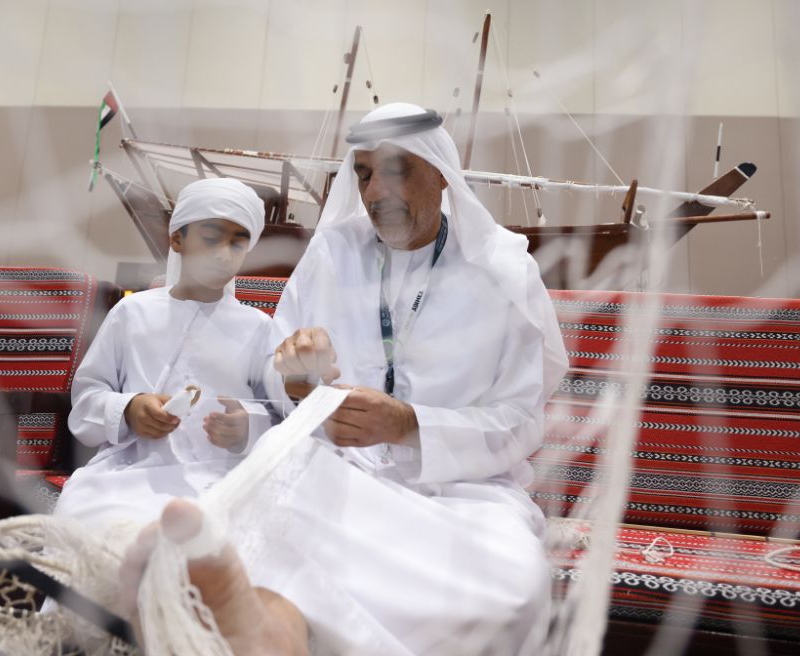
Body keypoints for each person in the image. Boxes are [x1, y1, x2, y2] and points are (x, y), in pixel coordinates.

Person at [121, 102, 569, 655]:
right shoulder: (334, 253)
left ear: (440, 174)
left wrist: (408, 424)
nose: (375, 190)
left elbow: (521, 422)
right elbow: (274, 371)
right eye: (362, 174)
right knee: (261, 534)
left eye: (395, 170)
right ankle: (271, 629)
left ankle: (274, 628)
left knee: (512, 589)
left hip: (464, 493)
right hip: (335, 472)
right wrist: (298, 380)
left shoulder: (502, 270)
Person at [54, 177, 278, 529]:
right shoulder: (132, 312)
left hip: (223, 478)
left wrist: (247, 425)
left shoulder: (259, 327)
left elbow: (278, 413)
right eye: (210, 238)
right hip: (129, 473)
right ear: (177, 239)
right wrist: (129, 408)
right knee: (94, 523)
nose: (223, 254)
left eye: (238, 244)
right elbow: (87, 399)